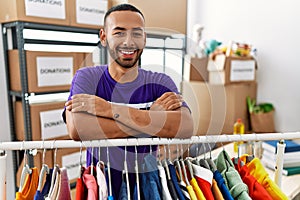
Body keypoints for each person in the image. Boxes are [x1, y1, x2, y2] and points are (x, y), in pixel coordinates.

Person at [63, 3, 194, 198]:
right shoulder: (87, 78)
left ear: (144, 39)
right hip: (101, 184)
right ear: (103, 37)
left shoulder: (160, 82)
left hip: (148, 185)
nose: (129, 42)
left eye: (136, 33)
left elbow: (185, 127)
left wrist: (108, 109)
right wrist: (152, 119)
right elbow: (78, 129)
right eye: (119, 33)